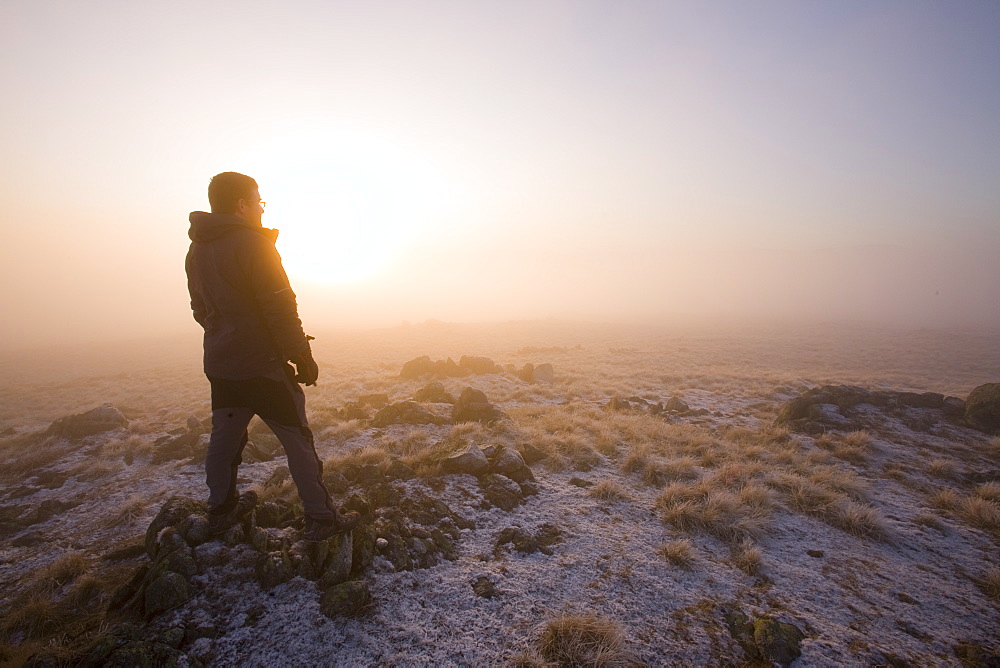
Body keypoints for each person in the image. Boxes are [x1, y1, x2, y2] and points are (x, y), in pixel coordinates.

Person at [185, 171, 359, 541]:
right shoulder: (252, 243)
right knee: (297, 440)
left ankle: (220, 512)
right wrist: (301, 353)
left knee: (224, 441)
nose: (262, 210)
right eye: (259, 202)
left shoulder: (197, 248)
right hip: (263, 365)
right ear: (242, 205)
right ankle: (321, 518)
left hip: (221, 364)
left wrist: (225, 335)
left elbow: (199, 309)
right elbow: (280, 303)